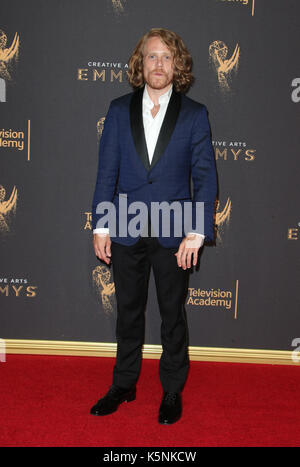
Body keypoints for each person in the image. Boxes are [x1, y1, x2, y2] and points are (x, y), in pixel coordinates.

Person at [90, 28, 217, 424]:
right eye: (151, 56)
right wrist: (101, 225)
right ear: (139, 63)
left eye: (166, 57)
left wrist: (195, 233)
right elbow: (106, 171)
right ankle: (124, 383)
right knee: (127, 312)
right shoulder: (117, 109)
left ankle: (172, 390)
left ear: (176, 64)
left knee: (171, 314)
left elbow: (205, 176)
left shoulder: (195, 114)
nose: (158, 64)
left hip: (173, 232)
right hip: (125, 226)